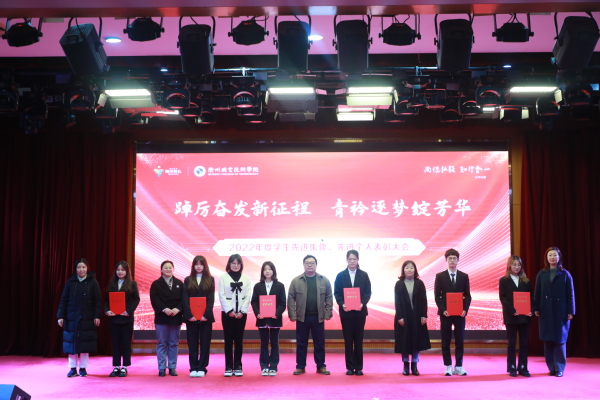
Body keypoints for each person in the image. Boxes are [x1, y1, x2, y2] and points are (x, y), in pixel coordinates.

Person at [288, 255, 333, 376]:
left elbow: (329, 297)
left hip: (318, 317)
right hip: (302, 317)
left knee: (319, 343)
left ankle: (321, 366)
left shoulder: (324, 280)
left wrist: (328, 313)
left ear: (316, 265)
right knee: (301, 343)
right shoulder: (296, 281)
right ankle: (300, 366)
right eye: (307, 263)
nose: (309, 265)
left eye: (312, 263)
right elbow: (290, 298)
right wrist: (292, 315)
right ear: (303, 265)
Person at [534, 246, 575, 377]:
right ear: (546, 258)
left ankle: (560, 368)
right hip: (545, 310)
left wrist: (571, 311)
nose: (552, 257)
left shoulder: (565, 274)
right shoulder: (541, 274)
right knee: (548, 340)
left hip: (560, 311)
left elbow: (570, 294)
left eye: (555, 255)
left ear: (559, 257)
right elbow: (537, 293)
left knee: (560, 340)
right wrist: (536, 308)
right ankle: (551, 367)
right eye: (550, 255)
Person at [56, 258, 101, 377]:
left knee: (85, 343)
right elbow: (64, 299)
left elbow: (97, 300)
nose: (81, 270)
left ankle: (83, 368)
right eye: (79, 267)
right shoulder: (70, 282)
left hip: (87, 316)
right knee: (72, 343)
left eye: (83, 267)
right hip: (71, 316)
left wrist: (97, 315)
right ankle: (72, 368)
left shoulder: (93, 282)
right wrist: (60, 316)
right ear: (75, 269)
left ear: (87, 268)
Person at [434, 248, 471, 376]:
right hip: (446, 314)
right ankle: (448, 366)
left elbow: (467, 295)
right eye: (450, 258)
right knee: (446, 340)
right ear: (446, 260)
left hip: (460, 314)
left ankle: (459, 366)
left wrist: (465, 310)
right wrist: (443, 309)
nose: (452, 260)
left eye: (454, 258)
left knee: (460, 340)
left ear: (458, 260)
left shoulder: (464, 276)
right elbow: (437, 296)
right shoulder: (440, 276)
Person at [334, 250, 372, 376]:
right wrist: (342, 303)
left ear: (358, 260)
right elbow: (337, 293)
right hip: (346, 313)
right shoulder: (340, 275)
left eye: (354, 259)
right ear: (346, 260)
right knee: (348, 340)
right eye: (350, 259)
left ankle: (359, 367)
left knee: (359, 340)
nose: (352, 261)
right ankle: (350, 367)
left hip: (360, 313)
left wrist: (363, 303)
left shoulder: (364, 275)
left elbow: (368, 292)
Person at [394, 260, 431, 376]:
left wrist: (424, 315)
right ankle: (405, 365)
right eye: (407, 268)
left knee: (416, 341)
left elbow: (424, 300)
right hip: (403, 316)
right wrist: (400, 316)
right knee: (404, 341)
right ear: (403, 270)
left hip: (417, 317)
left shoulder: (420, 283)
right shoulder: (399, 284)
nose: (409, 270)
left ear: (415, 270)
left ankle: (414, 365)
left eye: (411, 267)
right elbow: (397, 301)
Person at [104, 261, 140, 377]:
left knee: (125, 343)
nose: (120, 272)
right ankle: (116, 366)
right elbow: (106, 300)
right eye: (118, 270)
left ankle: (124, 367)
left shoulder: (132, 284)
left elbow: (136, 299)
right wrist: (106, 310)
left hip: (126, 319)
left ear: (127, 271)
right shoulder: (111, 284)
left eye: (122, 270)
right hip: (114, 319)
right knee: (115, 343)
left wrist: (129, 311)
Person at [251, 261, 287, 376]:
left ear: (273, 271)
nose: (267, 271)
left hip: (275, 319)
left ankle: (273, 366)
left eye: (270, 269)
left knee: (274, 343)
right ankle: (264, 366)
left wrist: (277, 313)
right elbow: (254, 301)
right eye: (265, 269)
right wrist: (257, 313)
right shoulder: (257, 286)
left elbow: (283, 302)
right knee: (264, 343)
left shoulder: (280, 286)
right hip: (262, 319)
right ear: (262, 271)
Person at [218, 254, 252, 377]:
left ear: (241, 265)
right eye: (233, 263)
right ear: (229, 264)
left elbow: (248, 296)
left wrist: (242, 311)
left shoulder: (246, 278)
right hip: (227, 314)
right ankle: (228, 366)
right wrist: (229, 311)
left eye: (238, 263)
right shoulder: (223, 277)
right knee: (228, 340)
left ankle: (238, 366)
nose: (235, 265)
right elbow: (221, 295)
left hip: (241, 314)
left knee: (238, 340)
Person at [499, 255, 533, 377]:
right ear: (509, 266)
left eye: (519, 265)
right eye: (514, 264)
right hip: (511, 316)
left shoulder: (526, 281)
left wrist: (531, 310)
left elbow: (531, 298)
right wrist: (512, 310)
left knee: (524, 343)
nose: (517, 267)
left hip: (524, 317)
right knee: (511, 343)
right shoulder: (504, 280)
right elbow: (503, 298)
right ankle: (512, 367)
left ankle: (523, 367)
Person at [182, 255, 215, 378]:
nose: (199, 267)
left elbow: (211, 299)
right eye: (196, 264)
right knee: (192, 344)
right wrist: (189, 315)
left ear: (205, 266)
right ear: (193, 266)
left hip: (206, 318)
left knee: (205, 344)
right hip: (191, 318)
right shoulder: (188, 280)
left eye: (201, 264)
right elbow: (185, 299)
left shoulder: (210, 279)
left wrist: (206, 315)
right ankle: (193, 367)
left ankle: (202, 368)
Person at [150, 260, 184, 377]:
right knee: (162, 343)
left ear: (173, 269)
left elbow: (183, 299)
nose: (168, 269)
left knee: (174, 343)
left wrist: (178, 309)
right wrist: (164, 309)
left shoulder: (179, 283)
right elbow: (154, 299)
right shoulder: (156, 284)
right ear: (161, 270)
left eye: (170, 267)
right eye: (165, 268)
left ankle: (172, 367)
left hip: (176, 316)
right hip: (162, 317)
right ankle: (162, 368)